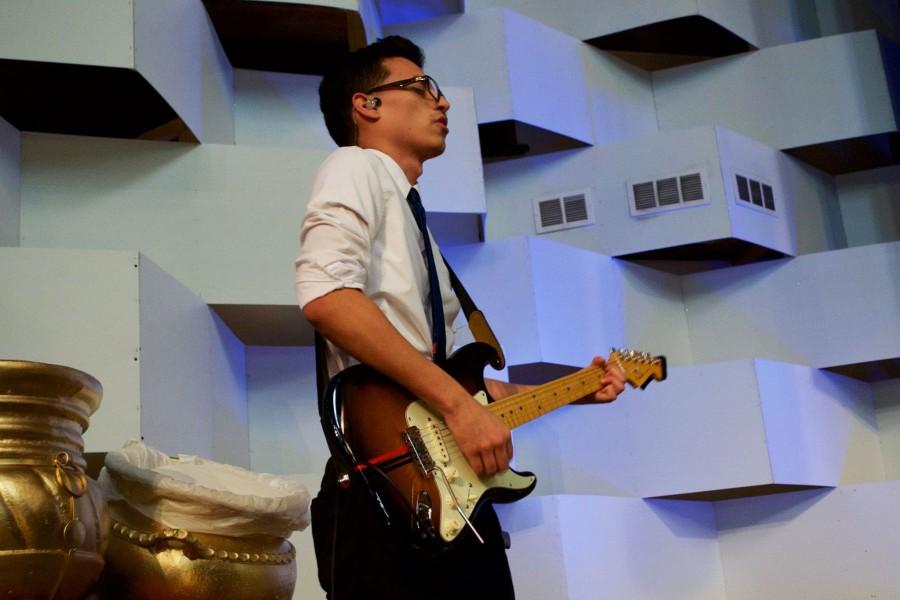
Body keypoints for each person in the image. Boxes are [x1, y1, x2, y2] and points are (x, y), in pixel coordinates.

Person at [295, 35, 626, 600]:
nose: (441, 102)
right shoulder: (356, 166)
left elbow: (464, 387)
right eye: (422, 88)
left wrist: (575, 388)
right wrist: (456, 407)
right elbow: (326, 294)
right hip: (387, 490)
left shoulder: (413, 220)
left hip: (439, 495)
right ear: (366, 105)